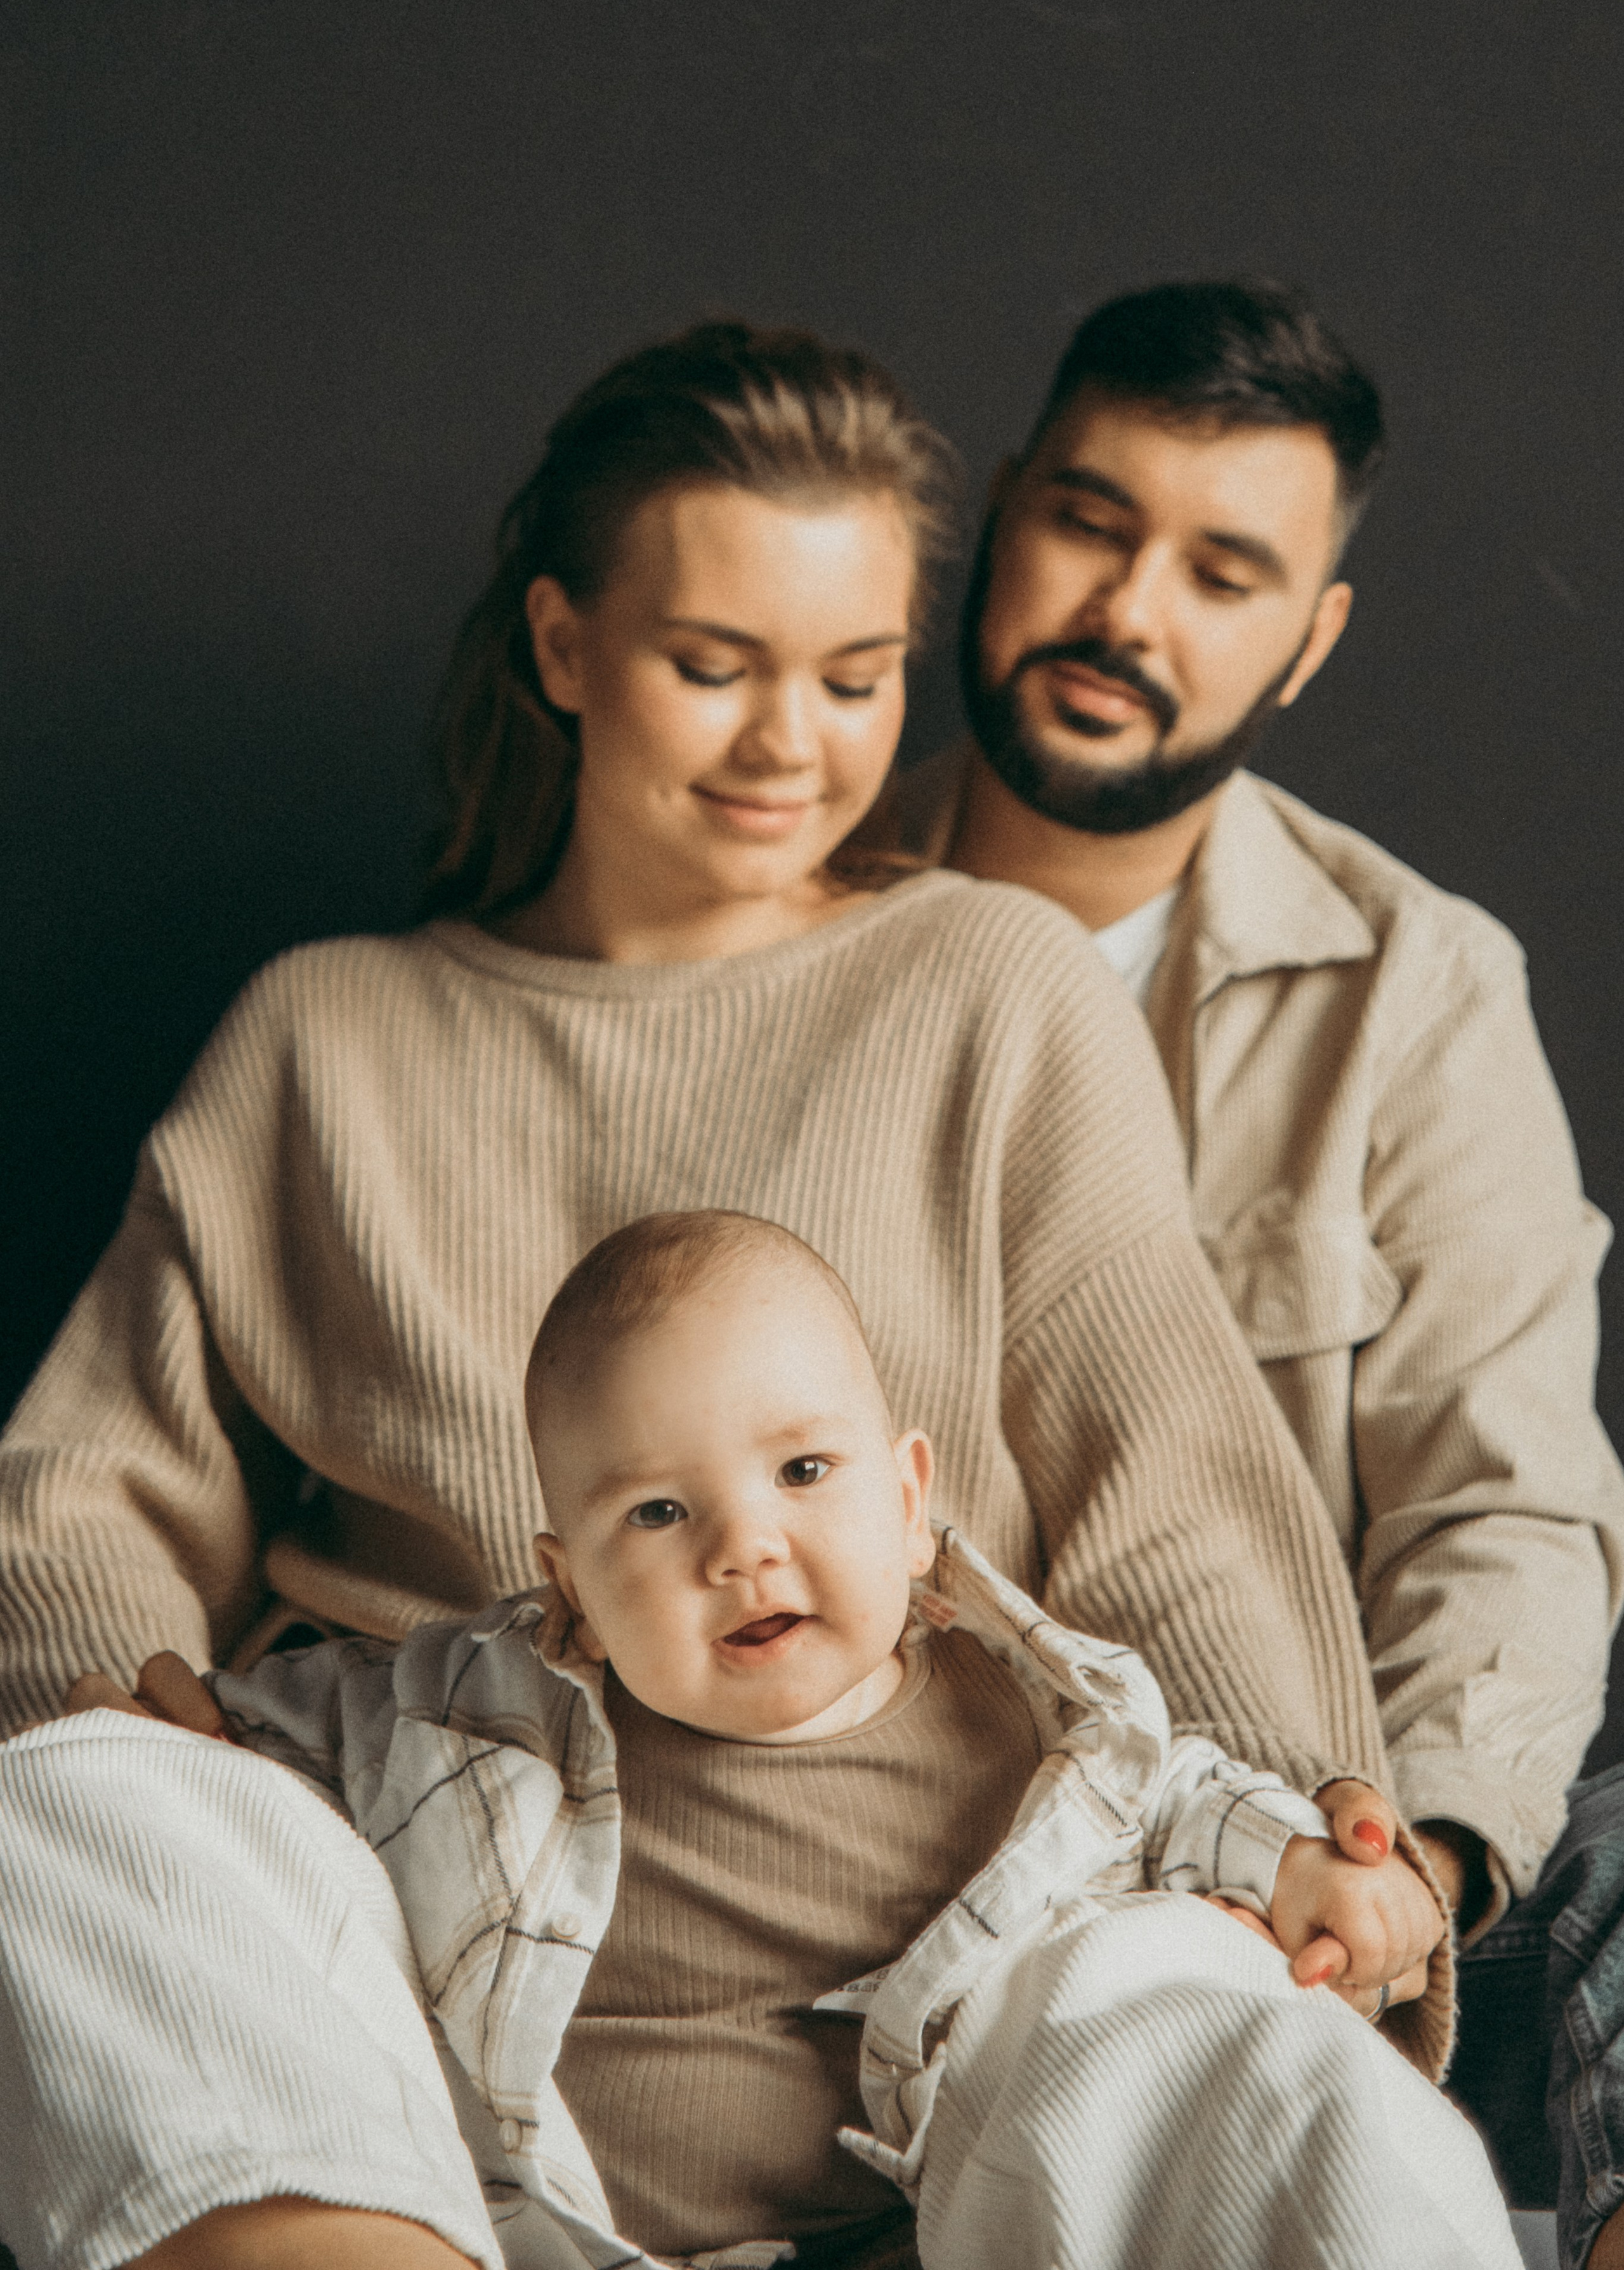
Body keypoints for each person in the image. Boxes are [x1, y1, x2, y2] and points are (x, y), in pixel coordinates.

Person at [0, 320, 1425, 2264]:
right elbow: (88, 1489)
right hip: (423, 1915)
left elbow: (1164, 1468)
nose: (790, 747)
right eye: (712, 665)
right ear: (565, 644)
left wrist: (1315, 1818)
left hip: (949, 1936)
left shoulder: (994, 990)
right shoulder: (325, 1038)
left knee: (1202, 1999)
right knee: (63, 1805)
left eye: (853, 677)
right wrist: (116, 1706)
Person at [1, 1212, 1514, 2270]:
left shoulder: (1048, 1727)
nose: (743, 1545)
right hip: (545, 2237)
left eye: (802, 1471)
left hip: (959, 2233)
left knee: (1173, 1966)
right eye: (659, 1512)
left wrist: (1326, 1874)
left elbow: (1191, 1801)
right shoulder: (464, 1707)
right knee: (71, 1788)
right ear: (571, 1588)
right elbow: (237, 1785)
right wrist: (161, 1751)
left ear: (910, 1500)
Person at [870, 276, 1624, 2266]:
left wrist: (1408, 1861)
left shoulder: (1417, 989)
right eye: (1091, 524)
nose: (1131, 612)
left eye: (1224, 574)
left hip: (1318, 1844)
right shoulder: (774, 908)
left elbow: (1503, 1502)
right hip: (900, 1828)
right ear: (1000, 517)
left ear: (1311, 639)